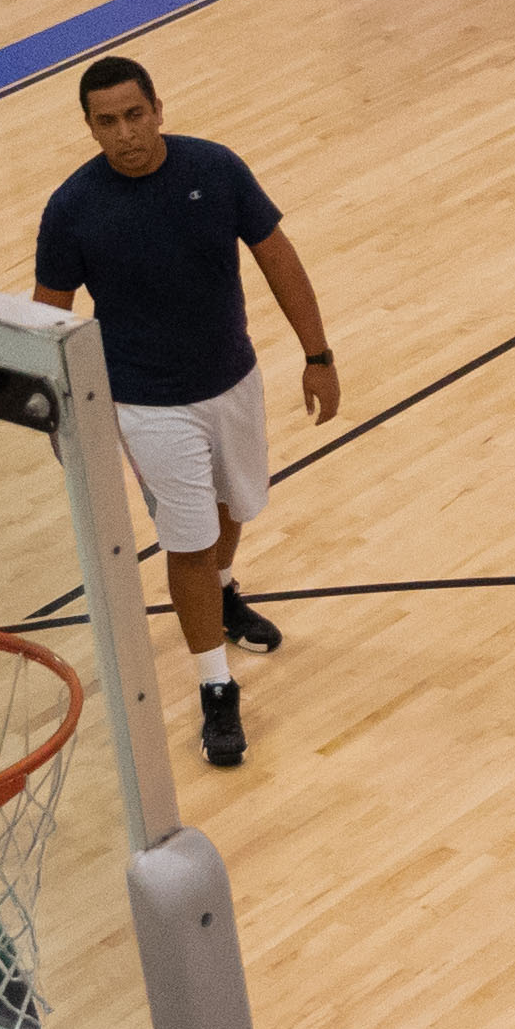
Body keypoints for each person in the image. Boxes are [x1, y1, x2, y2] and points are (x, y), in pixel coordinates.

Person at [32, 54, 339, 772]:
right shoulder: (72, 208)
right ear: (89, 127)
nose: (125, 134)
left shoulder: (217, 169)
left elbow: (279, 259)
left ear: (159, 109)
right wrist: (58, 416)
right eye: (106, 122)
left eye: (134, 115)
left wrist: (317, 355)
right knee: (189, 543)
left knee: (234, 510)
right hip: (146, 405)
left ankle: (226, 593)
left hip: (233, 381)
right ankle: (214, 687)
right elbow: (47, 320)